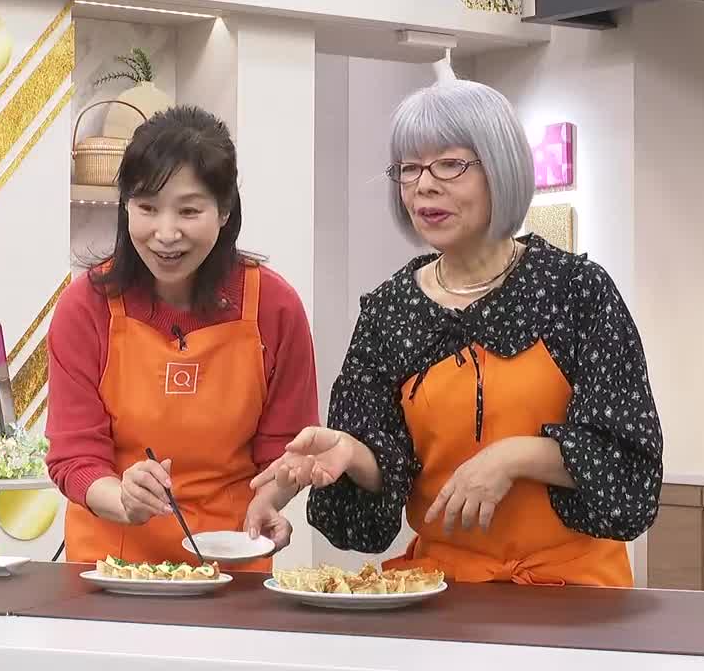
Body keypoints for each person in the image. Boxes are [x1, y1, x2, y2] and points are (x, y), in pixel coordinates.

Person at [252, 80, 663, 586]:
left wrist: (514, 457)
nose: (424, 185)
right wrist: (353, 456)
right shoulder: (390, 309)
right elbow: (378, 489)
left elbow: (629, 469)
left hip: (578, 595)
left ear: (501, 168)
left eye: (450, 164)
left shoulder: (575, 291)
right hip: (442, 594)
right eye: (409, 169)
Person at [45, 105, 320, 571]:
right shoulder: (85, 307)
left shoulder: (274, 306)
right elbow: (74, 456)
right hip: (112, 569)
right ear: (125, 207)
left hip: (231, 562)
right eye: (147, 208)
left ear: (225, 209)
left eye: (189, 210)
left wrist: (271, 500)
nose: (165, 234)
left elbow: (285, 448)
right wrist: (123, 498)